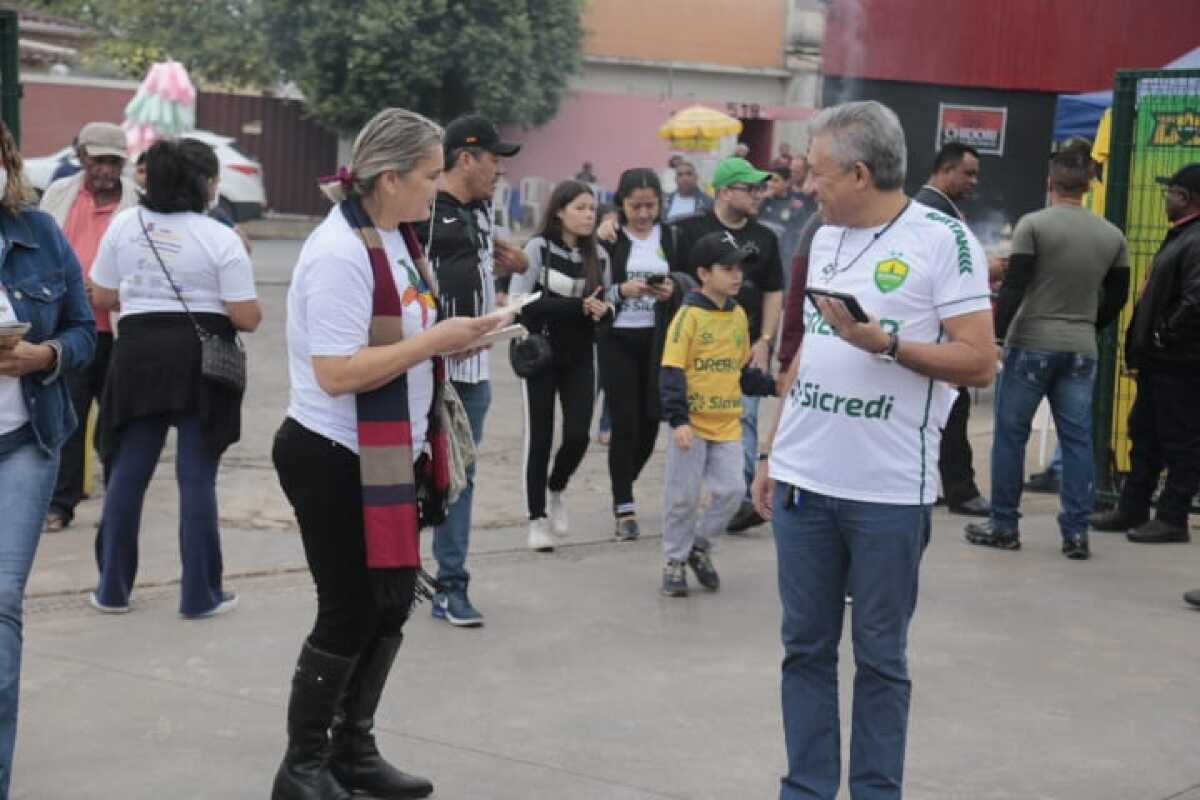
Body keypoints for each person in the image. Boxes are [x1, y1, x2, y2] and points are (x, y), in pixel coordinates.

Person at [751, 101, 995, 799]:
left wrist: (886, 344)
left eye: (818, 173)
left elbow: (980, 362)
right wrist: (772, 453)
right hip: (802, 486)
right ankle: (807, 788)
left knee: (881, 659)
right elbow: (805, 355)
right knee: (805, 652)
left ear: (860, 173)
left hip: (887, 494)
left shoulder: (943, 243)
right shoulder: (823, 237)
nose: (806, 185)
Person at [270, 108, 510, 800]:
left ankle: (353, 750)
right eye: (430, 176)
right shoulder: (340, 253)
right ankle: (303, 766)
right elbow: (339, 373)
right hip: (331, 453)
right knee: (347, 609)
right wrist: (436, 343)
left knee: (392, 600)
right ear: (388, 175)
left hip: (390, 454)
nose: (438, 189)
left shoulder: (398, 236)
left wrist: (460, 336)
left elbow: (407, 334)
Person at [88, 139, 261, 617]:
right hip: (199, 359)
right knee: (197, 479)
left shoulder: (125, 224)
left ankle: (112, 590)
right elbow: (246, 317)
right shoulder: (220, 236)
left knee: (127, 474)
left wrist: (146, 290)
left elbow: (101, 295)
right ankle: (199, 596)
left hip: (138, 353)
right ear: (204, 184)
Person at [964, 150, 1130, 559]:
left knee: (1011, 435)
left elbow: (1015, 285)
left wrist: (996, 337)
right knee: (1076, 440)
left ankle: (1004, 524)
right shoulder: (1112, 235)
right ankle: (1076, 533)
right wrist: (1089, 324)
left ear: (1050, 184)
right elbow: (1119, 295)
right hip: (1080, 348)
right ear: (1089, 185)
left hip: (1031, 343)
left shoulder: (1033, 226)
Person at [0, 120, 96, 798]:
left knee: (2, 602)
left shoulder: (41, 234)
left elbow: (84, 330)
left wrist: (47, 354)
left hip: (23, 445)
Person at [418, 113, 524, 628]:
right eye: (493, 159)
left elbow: (486, 265)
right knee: (413, 474)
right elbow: (408, 284)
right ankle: (394, 573)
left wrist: (511, 263)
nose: (499, 170)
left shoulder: (484, 211)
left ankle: (451, 585)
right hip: (428, 366)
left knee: (461, 478)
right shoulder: (423, 213)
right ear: (465, 158)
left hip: (476, 370)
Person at [667, 156, 785, 534]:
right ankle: (688, 522)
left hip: (743, 343)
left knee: (745, 417)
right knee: (691, 432)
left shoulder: (765, 237)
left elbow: (773, 291)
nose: (758, 195)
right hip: (692, 349)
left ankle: (741, 498)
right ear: (724, 191)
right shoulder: (687, 230)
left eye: (760, 188)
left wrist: (765, 341)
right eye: (750, 189)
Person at [659, 231, 775, 596]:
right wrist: (678, 420)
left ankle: (700, 546)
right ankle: (674, 562)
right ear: (704, 274)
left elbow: (740, 372)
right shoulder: (688, 316)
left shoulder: (739, 315)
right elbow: (672, 370)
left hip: (727, 424)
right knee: (683, 498)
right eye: (727, 268)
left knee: (731, 491)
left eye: (740, 268)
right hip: (691, 427)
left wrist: (772, 386)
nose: (737, 275)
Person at [1091, 163, 1200, 545]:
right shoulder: (1182, 235)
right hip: (1162, 362)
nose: (1166, 199)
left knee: (1180, 441)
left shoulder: (1196, 239)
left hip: (1180, 364)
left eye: (1170, 192)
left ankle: (1172, 518)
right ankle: (1133, 507)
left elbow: (1195, 302)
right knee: (1145, 434)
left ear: (1185, 198)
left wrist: (1161, 335)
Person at [37, 122, 139, 532]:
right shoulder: (59, 194)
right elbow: (41, 250)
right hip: (71, 328)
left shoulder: (138, 202)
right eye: (98, 161)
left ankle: (117, 504)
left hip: (120, 329)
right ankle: (61, 504)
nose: (105, 171)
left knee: (117, 421)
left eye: (114, 162)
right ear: (81, 158)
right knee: (68, 419)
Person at [509, 180, 614, 551]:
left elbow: (607, 304)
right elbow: (520, 302)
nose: (589, 215)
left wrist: (605, 310)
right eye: (581, 208)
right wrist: (576, 307)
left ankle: (557, 488)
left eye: (592, 209)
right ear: (559, 211)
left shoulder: (599, 255)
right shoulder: (538, 248)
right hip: (539, 355)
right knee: (539, 437)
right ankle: (536, 518)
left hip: (581, 356)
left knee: (577, 436)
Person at [912, 142, 991, 517]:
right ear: (945, 170)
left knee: (946, 415)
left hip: (933, 335)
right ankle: (962, 490)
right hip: (937, 336)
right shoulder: (932, 212)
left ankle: (947, 486)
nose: (974, 181)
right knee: (952, 413)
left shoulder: (937, 210)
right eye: (968, 173)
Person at [598, 168, 677, 540]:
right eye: (635, 206)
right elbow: (593, 289)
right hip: (617, 340)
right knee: (625, 423)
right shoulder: (610, 238)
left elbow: (690, 279)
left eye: (650, 206)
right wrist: (621, 290)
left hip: (659, 341)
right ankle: (624, 505)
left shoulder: (672, 236)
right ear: (622, 204)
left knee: (650, 421)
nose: (643, 214)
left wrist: (672, 290)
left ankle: (623, 481)